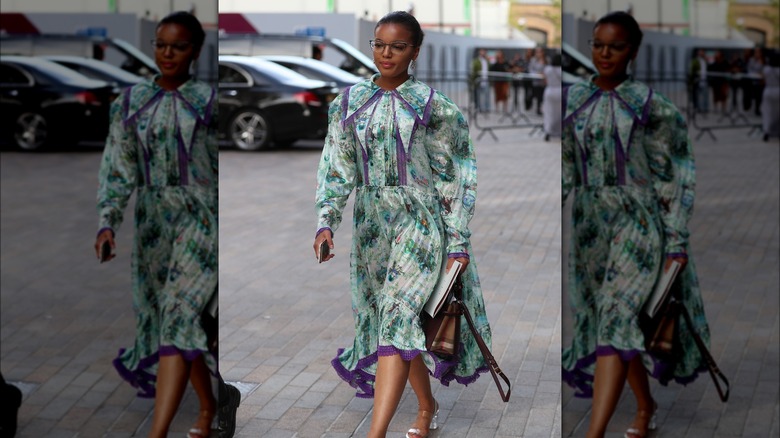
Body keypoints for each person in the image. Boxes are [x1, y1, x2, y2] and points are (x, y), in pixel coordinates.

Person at [313, 11, 492, 438]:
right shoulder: (349, 102)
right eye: (378, 44)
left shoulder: (436, 107)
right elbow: (335, 167)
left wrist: (458, 241)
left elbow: (456, 176)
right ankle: (426, 406)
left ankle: (375, 434)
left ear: (415, 50)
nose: (386, 53)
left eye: (397, 46)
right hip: (372, 226)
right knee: (395, 323)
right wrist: (326, 222)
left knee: (397, 314)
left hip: (420, 223)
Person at [561, 12, 711, 438]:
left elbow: (675, 177)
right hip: (590, 227)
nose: (604, 53)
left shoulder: (652, 107)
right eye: (597, 44)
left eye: (616, 46)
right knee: (618, 325)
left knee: (615, 316)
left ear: (633, 52)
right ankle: (645, 407)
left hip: (638, 224)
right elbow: (566, 168)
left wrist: (677, 242)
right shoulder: (573, 101)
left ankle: (594, 433)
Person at [94, 11, 219, 438]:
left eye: (179, 46)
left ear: (195, 51)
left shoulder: (209, 102)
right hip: (152, 226)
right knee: (175, 324)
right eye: (162, 44)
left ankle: (157, 432)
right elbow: (117, 166)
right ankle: (206, 407)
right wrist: (107, 222)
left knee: (180, 314)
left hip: (202, 221)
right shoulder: (129, 103)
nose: (168, 53)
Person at [541, 53, 562, 141]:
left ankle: (548, 130)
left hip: (550, 90)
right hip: (560, 90)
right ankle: (560, 131)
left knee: (549, 112)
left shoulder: (547, 69)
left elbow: (544, 80)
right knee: (560, 113)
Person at [760, 53, 779, 141]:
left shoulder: (766, 69)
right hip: (778, 90)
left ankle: (766, 131)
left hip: (768, 90)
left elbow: (763, 80)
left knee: (767, 112)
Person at [529, 47, 547, 115]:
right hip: (536, 81)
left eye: (539, 52)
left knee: (542, 96)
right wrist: (537, 74)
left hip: (544, 81)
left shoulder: (546, 60)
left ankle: (540, 108)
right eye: (537, 52)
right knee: (537, 95)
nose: (538, 54)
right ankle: (537, 108)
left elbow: (548, 69)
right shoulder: (533, 60)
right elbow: (530, 70)